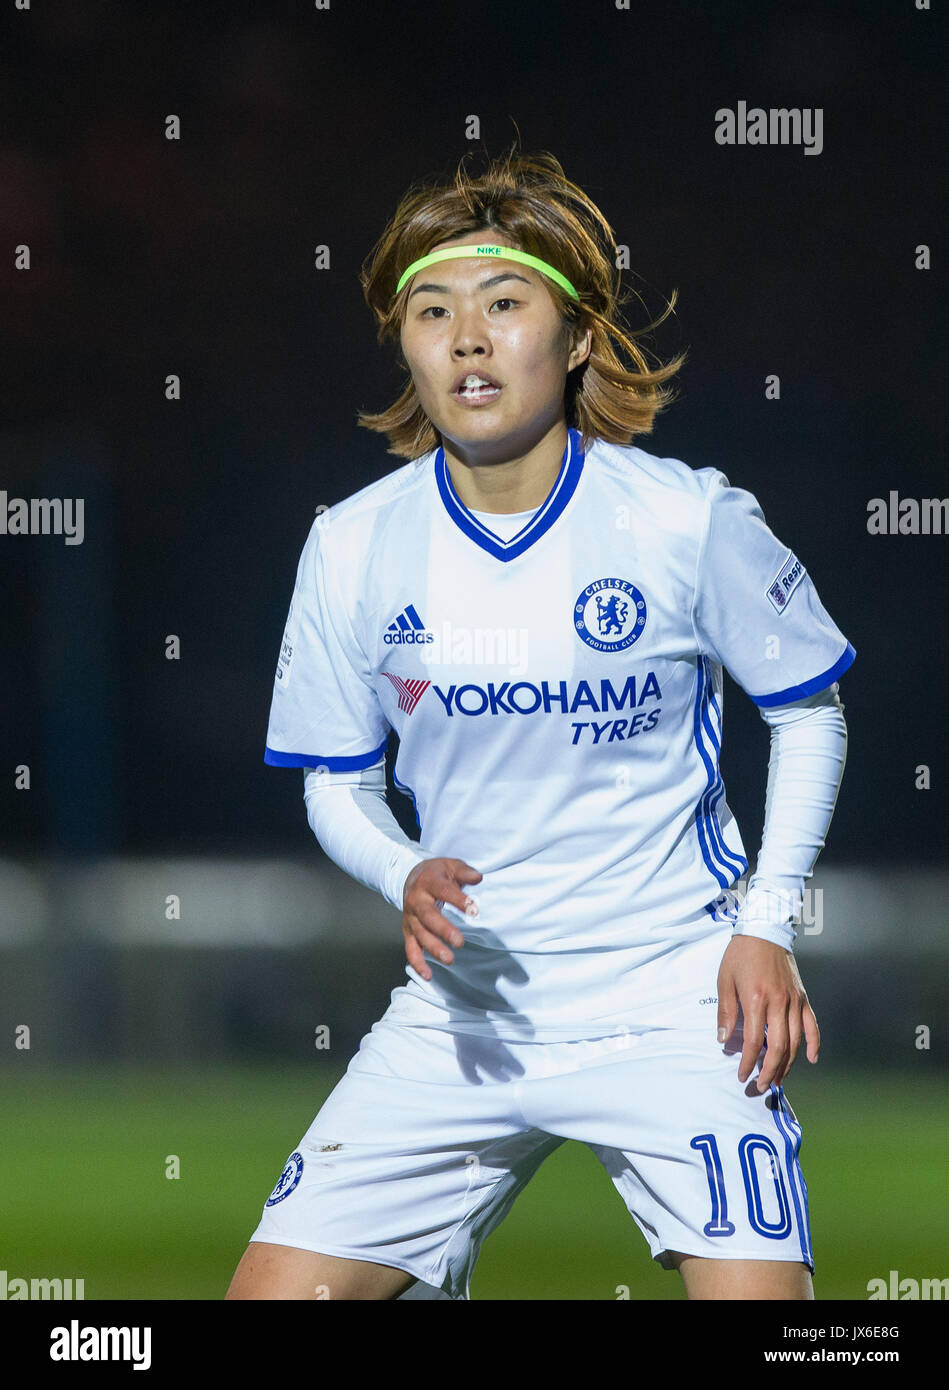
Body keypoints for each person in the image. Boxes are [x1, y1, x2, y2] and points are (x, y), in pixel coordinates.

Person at [226, 147, 854, 1302]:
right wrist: (403, 869)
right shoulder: (353, 544)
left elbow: (808, 713)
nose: (466, 337)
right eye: (432, 311)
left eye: (502, 304)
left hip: (675, 1003)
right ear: (405, 346)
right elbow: (334, 783)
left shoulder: (684, 519)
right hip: (464, 1018)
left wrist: (765, 923)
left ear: (571, 340)